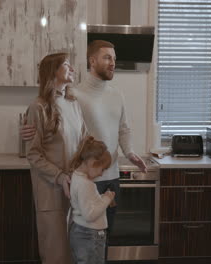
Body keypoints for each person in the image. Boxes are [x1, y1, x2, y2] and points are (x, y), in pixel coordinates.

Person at [22, 40, 147, 236]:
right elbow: (46, 109)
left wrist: (129, 152)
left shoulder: (116, 95)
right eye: (107, 57)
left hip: (111, 176)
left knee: (105, 238)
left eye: (114, 58)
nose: (113, 62)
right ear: (92, 61)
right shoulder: (74, 94)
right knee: (82, 242)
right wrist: (25, 129)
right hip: (87, 178)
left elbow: (123, 129)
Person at [26, 53, 87, 264]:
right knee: (56, 254)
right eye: (67, 65)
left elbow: (83, 143)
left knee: (74, 252)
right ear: (53, 71)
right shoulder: (38, 107)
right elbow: (33, 154)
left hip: (75, 189)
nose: (73, 70)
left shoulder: (74, 104)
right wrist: (60, 176)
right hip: (51, 190)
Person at [68, 136, 116, 264]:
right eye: (102, 169)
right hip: (91, 235)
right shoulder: (86, 184)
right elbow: (90, 215)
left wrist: (100, 198)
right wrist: (106, 199)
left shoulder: (76, 176)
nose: (102, 174)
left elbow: (85, 204)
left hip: (80, 231)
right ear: (93, 163)